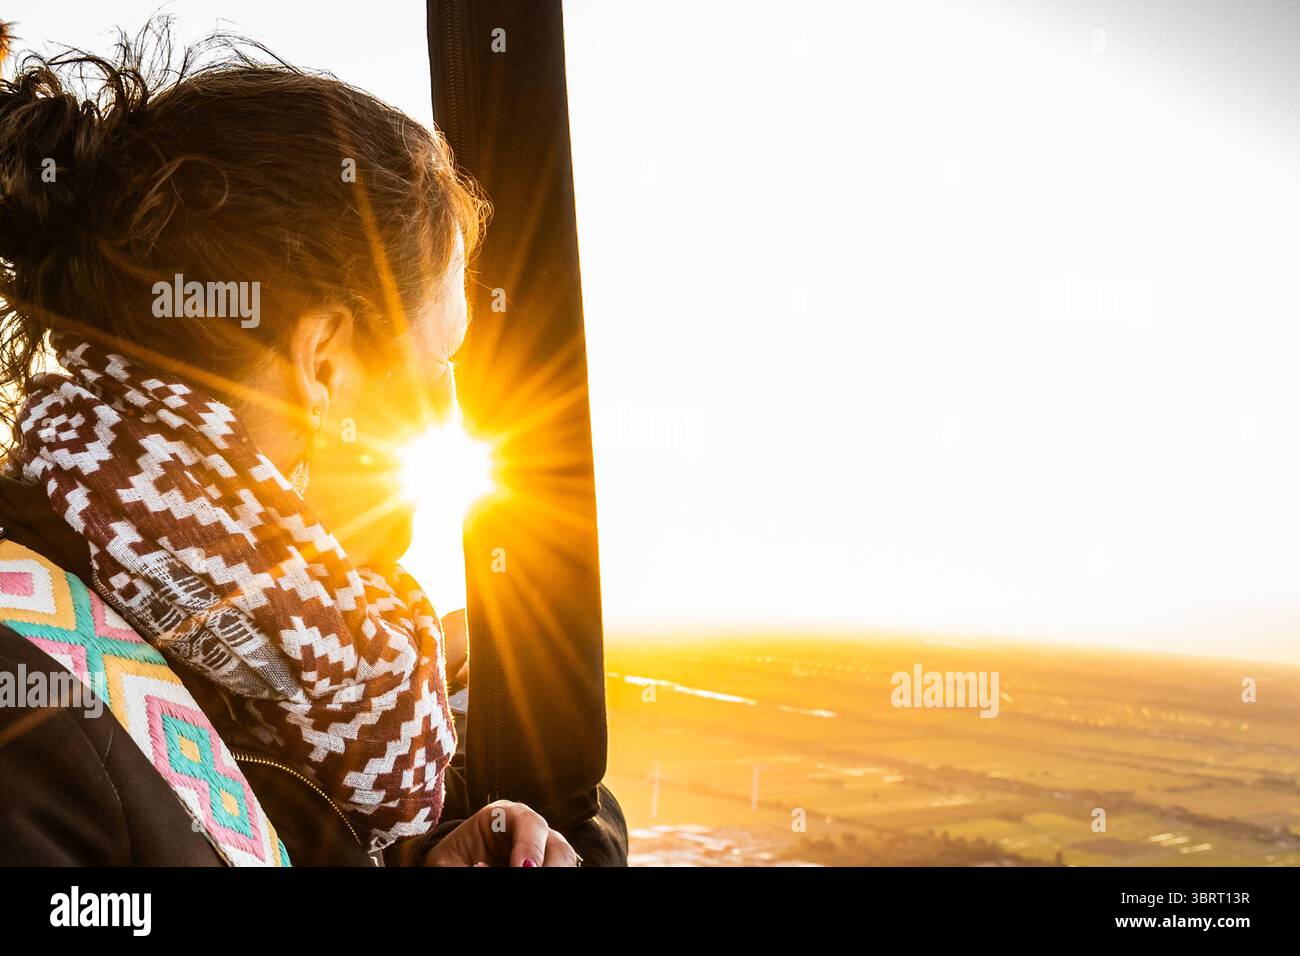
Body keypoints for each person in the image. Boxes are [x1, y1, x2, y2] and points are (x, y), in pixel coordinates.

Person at [0, 24, 626, 867]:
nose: (451, 403)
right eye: (441, 357)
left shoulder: (239, 644)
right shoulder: (32, 723)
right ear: (325, 364)